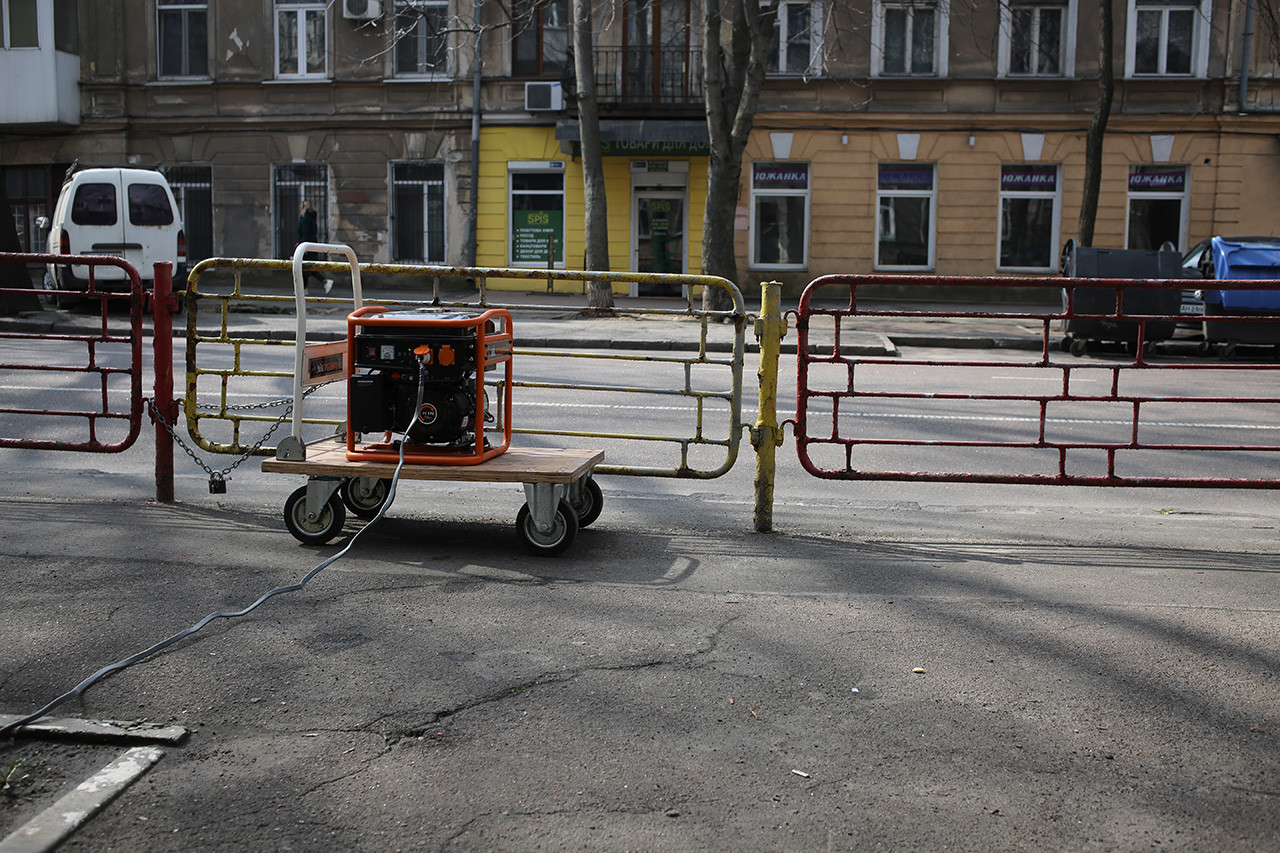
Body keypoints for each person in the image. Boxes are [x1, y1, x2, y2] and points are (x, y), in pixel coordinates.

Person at [296, 201, 332, 294]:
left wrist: (303, 245)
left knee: (306, 267)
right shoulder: (312, 218)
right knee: (307, 267)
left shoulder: (304, 219)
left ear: (303, 208)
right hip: (311, 244)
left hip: (306, 246)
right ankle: (304, 289)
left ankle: (324, 281)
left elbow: (305, 233)